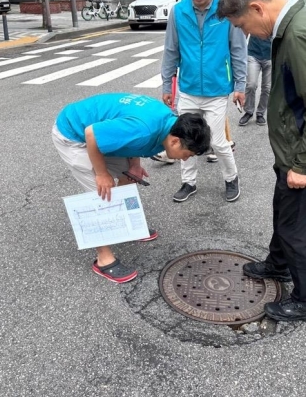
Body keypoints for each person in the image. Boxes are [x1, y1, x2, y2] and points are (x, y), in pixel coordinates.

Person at [217, 0, 306, 323]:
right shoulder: (295, 22)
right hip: (294, 149)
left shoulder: (298, 33)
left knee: (295, 231)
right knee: (282, 214)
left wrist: (303, 165)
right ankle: (278, 264)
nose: (244, 34)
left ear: (257, 8)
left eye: (242, 25)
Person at [52, 93, 210, 283]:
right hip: (74, 134)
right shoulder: (143, 129)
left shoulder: (168, 126)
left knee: (129, 174)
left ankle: (125, 227)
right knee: (99, 193)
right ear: (175, 141)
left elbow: (133, 143)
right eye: (188, 154)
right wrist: (102, 174)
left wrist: (134, 165)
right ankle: (103, 259)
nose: (185, 159)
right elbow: (92, 134)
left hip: (101, 131)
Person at [161, 0, 247, 203]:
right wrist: (168, 84)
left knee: (219, 141)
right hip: (187, 88)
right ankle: (188, 183)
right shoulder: (178, 12)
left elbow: (238, 50)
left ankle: (231, 178)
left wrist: (240, 85)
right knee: (184, 139)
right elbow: (170, 51)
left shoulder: (226, 10)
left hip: (217, 89)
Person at [239, 0, 277, 127]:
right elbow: (245, 29)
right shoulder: (254, 6)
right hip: (253, 53)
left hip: (270, 55)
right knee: (251, 85)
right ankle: (248, 111)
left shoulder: (278, 10)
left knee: (267, 88)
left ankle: (260, 113)